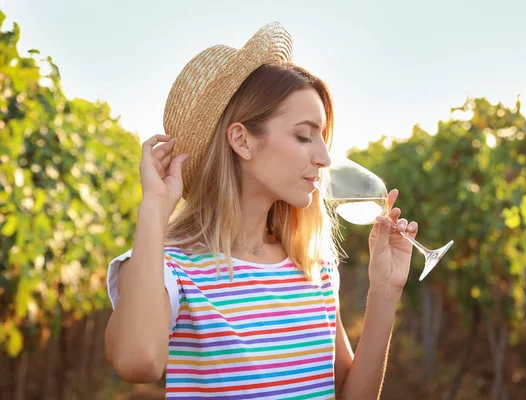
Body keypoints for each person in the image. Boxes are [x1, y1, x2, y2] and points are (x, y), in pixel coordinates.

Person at [104, 21, 419, 400]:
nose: (323, 157)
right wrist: (154, 208)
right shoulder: (169, 268)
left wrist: (384, 290)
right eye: (304, 136)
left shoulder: (312, 267)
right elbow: (138, 362)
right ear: (241, 140)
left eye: (322, 138)